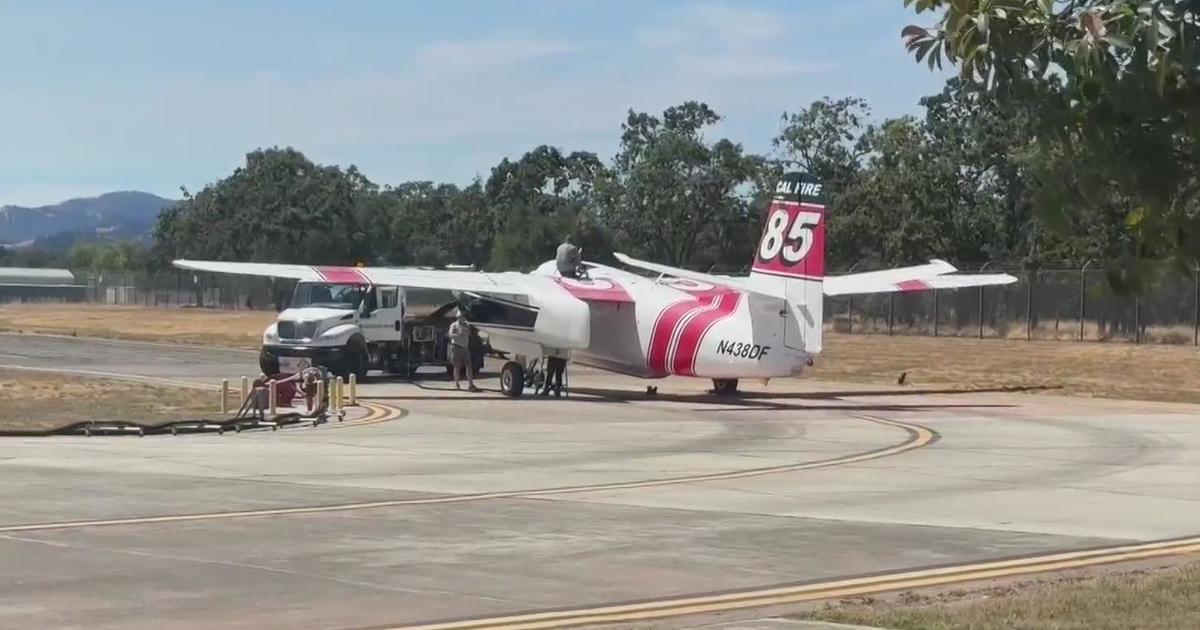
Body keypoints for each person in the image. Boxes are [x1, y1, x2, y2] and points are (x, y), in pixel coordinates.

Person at [448, 310, 480, 392]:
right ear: (458, 317)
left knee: (469, 366)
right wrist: (459, 334)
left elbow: (470, 333)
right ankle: (456, 383)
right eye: (461, 317)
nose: (463, 318)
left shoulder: (467, 325)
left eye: (463, 316)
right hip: (456, 346)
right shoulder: (454, 325)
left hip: (465, 347)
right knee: (457, 366)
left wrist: (467, 331)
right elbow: (450, 335)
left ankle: (471, 384)